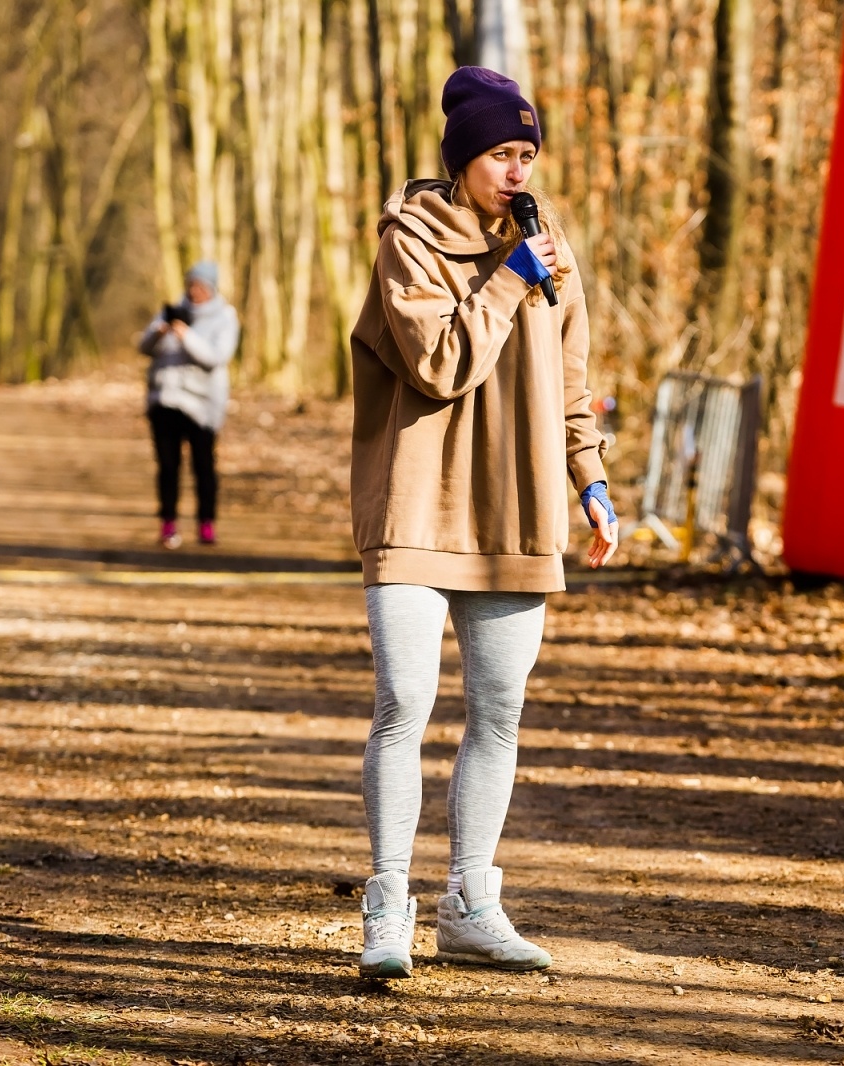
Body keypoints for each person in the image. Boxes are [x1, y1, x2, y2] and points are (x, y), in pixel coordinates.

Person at [347, 66, 620, 980]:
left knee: (498, 717)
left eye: (528, 154)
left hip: (519, 509)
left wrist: (590, 478)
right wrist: (509, 281)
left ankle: (472, 904)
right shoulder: (408, 244)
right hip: (418, 508)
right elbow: (436, 363)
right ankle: (387, 906)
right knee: (404, 709)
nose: (517, 171)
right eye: (502, 153)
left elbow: (572, 380)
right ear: (464, 157)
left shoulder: (552, 249)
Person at [137, 261, 240, 549]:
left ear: (212, 288)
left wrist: (185, 336)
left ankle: (207, 524)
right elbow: (144, 348)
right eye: (191, 285)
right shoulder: (172, 311)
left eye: (200, 286)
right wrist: (160, 331)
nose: (194, 291)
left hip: (202, 405)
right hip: (165, 401)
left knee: (203, 466)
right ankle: (168, 524)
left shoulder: (224, 317)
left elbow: (215, 358)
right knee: (167, 466)